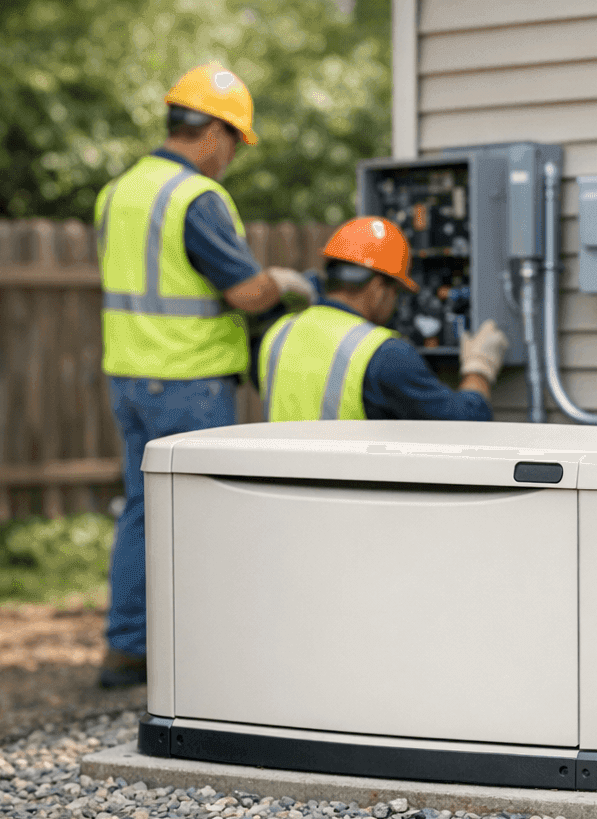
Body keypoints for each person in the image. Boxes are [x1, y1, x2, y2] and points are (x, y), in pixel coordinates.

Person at [95, 63, 314, 688]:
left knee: (142, 511)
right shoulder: (195, 199)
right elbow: (245, 293)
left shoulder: (120, 191)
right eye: (235, 145)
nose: (231, 160)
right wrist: (289, 284)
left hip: (129, 377)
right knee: (203, 519)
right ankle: (205, 658)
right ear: (212, 133)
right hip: (189, 385)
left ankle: (128, 648)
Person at [257, 216, 507, 422]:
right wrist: (479, 368)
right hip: (348, 482)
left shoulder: (278, 333)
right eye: (396, 292)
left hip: (283, 480)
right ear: (378, 290)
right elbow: (465, 424)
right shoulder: (383, 354)